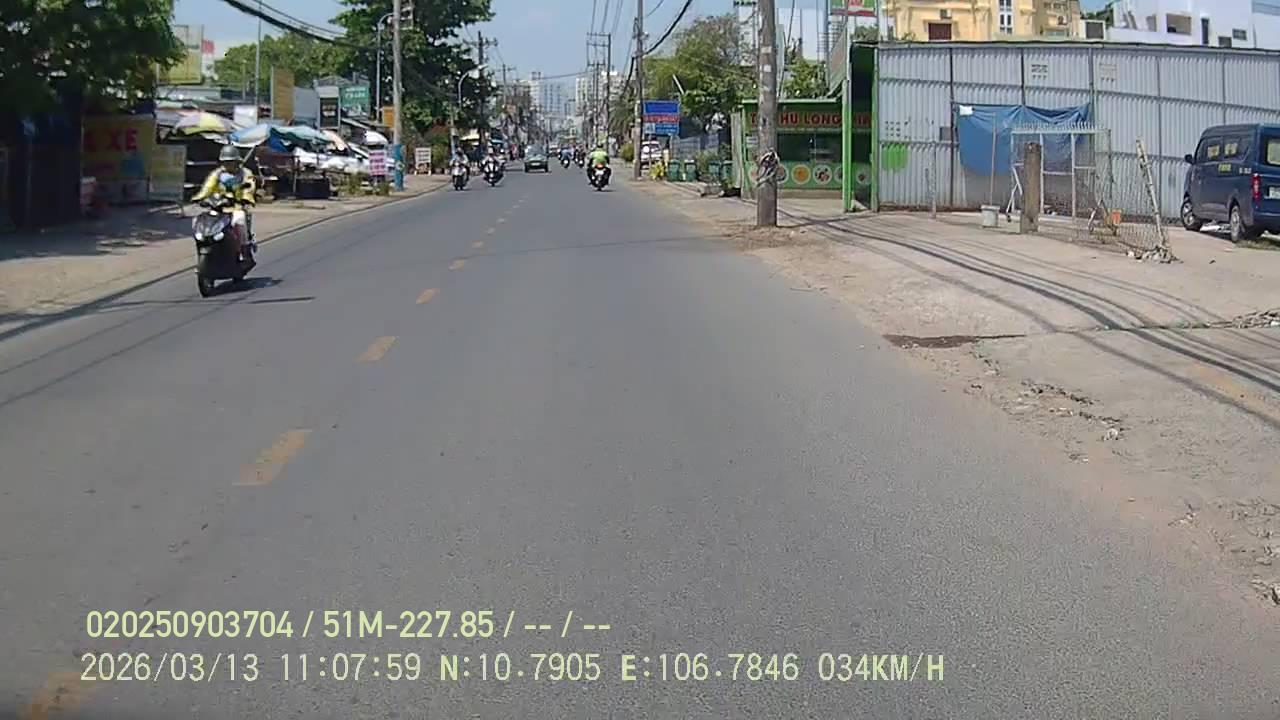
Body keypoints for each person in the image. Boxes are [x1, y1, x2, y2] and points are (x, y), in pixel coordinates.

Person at [193, 145, 256, 259]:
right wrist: (199, 198)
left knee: (239, 221)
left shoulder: (245, 173)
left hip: (236, 207)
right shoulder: (217, 173)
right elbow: (208, 187)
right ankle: (204, 246)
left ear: (237, 161)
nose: (227, 164)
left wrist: (245, 198)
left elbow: (249, 187)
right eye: (225, 162)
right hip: (218, 207)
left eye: (230, 162)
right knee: (197, 220)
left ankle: (244, 250)